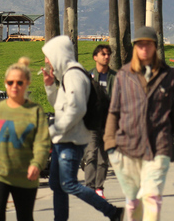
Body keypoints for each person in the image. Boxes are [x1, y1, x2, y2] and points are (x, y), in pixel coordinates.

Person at [104, 26, 174, 221]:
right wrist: (109, 144)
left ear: (155, 47)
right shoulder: (124, 75)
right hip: (127, 147)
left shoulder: (169, 76)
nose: (144, 49)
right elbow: (113, 111)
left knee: (151, 196)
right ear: (135, 48)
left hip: (159, 146)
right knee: (133, 202)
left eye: (148, 45)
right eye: (140, 45)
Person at [42, 35, 124, 221]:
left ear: (58, 54)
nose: (46, 61)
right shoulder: (67, 75)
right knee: (57, 185)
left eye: (48, 56)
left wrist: (53, 131)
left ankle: (112, 212)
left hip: (71, 140)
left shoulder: (74, 75)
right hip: (62, 140)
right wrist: (49, 87)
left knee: (69, 184)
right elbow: (59, 105)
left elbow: (76, 109)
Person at [0, 57, 51, 221]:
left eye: (20, 82)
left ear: (27, 84)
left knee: (25, 217)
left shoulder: (34, 111)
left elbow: (42, 143)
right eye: (10, 82)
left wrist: (37, 164)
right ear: (5, 84)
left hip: (25, 174)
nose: (14, 86)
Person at [84, 44, 117, 199]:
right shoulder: (88, 77)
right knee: (90, 154)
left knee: (103, 158)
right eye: (103, 54)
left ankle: (99, 188)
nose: (106, 56)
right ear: (95, 57)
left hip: (108, 123)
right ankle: (89, 187)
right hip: (91, 122)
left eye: (108, 54)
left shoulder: (115, 77)